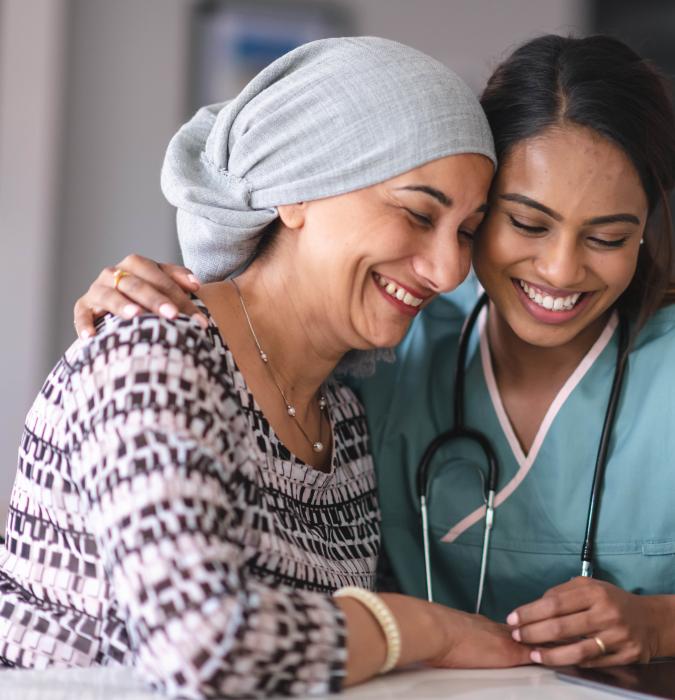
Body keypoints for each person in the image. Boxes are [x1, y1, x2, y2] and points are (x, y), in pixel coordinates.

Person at [77, 34, 675, 670]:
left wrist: (662, 623)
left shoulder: (347, 392)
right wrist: (138, 313)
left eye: (609, 237)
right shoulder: (387, 349)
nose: (560, 269)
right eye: (526, 223)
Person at [0, 37, 531, 697]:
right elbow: (202, 649)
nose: (449, 269)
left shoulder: (342, 416)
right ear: (295, 191)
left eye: (464, 231)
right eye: (417, 213)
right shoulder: (154, 360)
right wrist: (428, 628)